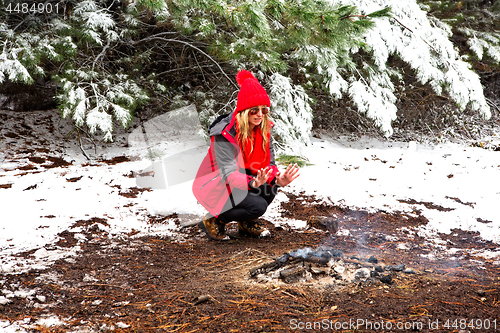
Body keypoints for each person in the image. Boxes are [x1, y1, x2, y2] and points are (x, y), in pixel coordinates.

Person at [192, 69, 300, 240]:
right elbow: (228, 175)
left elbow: (269, 164)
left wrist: (278, 179)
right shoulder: (224, 134)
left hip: (242, 179)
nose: (259, 115)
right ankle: (214, 220)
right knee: (257, 204)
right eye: (253, 110)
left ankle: (246, 222)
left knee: (269, 188)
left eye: (263, 110)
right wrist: (253, 182)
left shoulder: (263, 130)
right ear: (243, 111)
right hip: (214, 184)